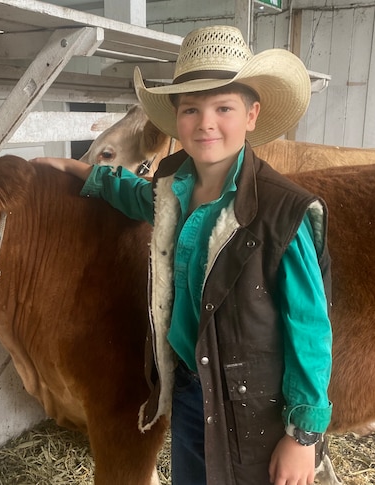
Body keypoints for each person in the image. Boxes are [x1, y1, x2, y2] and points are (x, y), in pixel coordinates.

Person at [32, 25, 332, 485]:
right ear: (175, 119)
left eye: (223, 108)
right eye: (191, 108)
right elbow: (139, 197)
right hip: (193, 389)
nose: (206, 122)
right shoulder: (174, 185)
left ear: (252, 115)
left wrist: (302, 437)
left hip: (256, 408)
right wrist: (82, 173)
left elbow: (309, 329)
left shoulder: (282, 213)